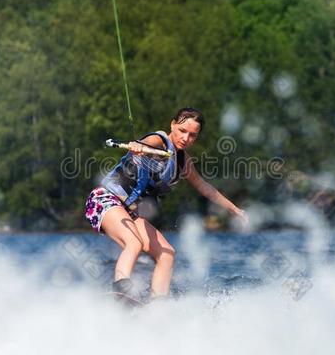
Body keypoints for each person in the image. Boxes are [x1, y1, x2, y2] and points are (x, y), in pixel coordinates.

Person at [84, 107, 248, 301]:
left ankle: (158, 303)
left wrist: (235, 209)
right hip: (104, 200)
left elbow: (205, 188)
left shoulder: (182, 161)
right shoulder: (158, 140)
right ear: (172, 125)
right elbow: (142, 143)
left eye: (193, 135)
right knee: (134, 243)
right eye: (182, 131)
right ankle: (121, 290)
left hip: (129, 212)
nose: (186, 138)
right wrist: (137, 146)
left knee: (167, 253)